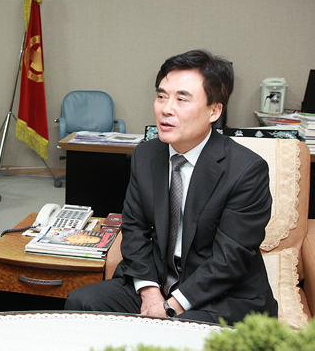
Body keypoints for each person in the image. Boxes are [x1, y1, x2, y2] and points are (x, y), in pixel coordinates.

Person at [65, 49, 277, 325]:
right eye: (162, 96)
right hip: (158, 283)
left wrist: (172, 306)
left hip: (222, 295)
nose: (166, 108)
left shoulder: (246, 170)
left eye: (181, 98)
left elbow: (230, 258)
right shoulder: (146, 155)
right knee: (81, 303)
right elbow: (135, 229)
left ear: (214, 110)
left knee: (180, 334)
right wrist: (151, 294)